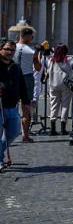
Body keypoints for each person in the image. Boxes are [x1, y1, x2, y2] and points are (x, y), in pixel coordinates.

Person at [1, 40, 27, 172]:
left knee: (14, 131)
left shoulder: (15, 67)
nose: (10, 52)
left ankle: (0, 152)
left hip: (12, 105)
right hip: (0, 104)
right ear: (1, 48)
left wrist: (25, 102)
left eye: (13, 50)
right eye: (8, 49)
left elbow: (22, 85)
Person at [14, 27, 36, 143]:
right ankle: (25, 136)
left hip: (13, 77)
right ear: (26, 36)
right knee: (26, 108)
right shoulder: (32, 51)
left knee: (10, 107)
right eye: (32, 36)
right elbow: (38, 67)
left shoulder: (12, 48)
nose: (32, 38)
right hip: (27, 77)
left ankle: (4, 133)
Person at [46, 44, 73, 135]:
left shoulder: (51, 60)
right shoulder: (68, 60)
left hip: (53, 84)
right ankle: (63, 128)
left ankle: (52, 128)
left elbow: (48, 71)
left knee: (53, 105)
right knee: (65, 106)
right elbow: (72, 70)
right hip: (65, 84)